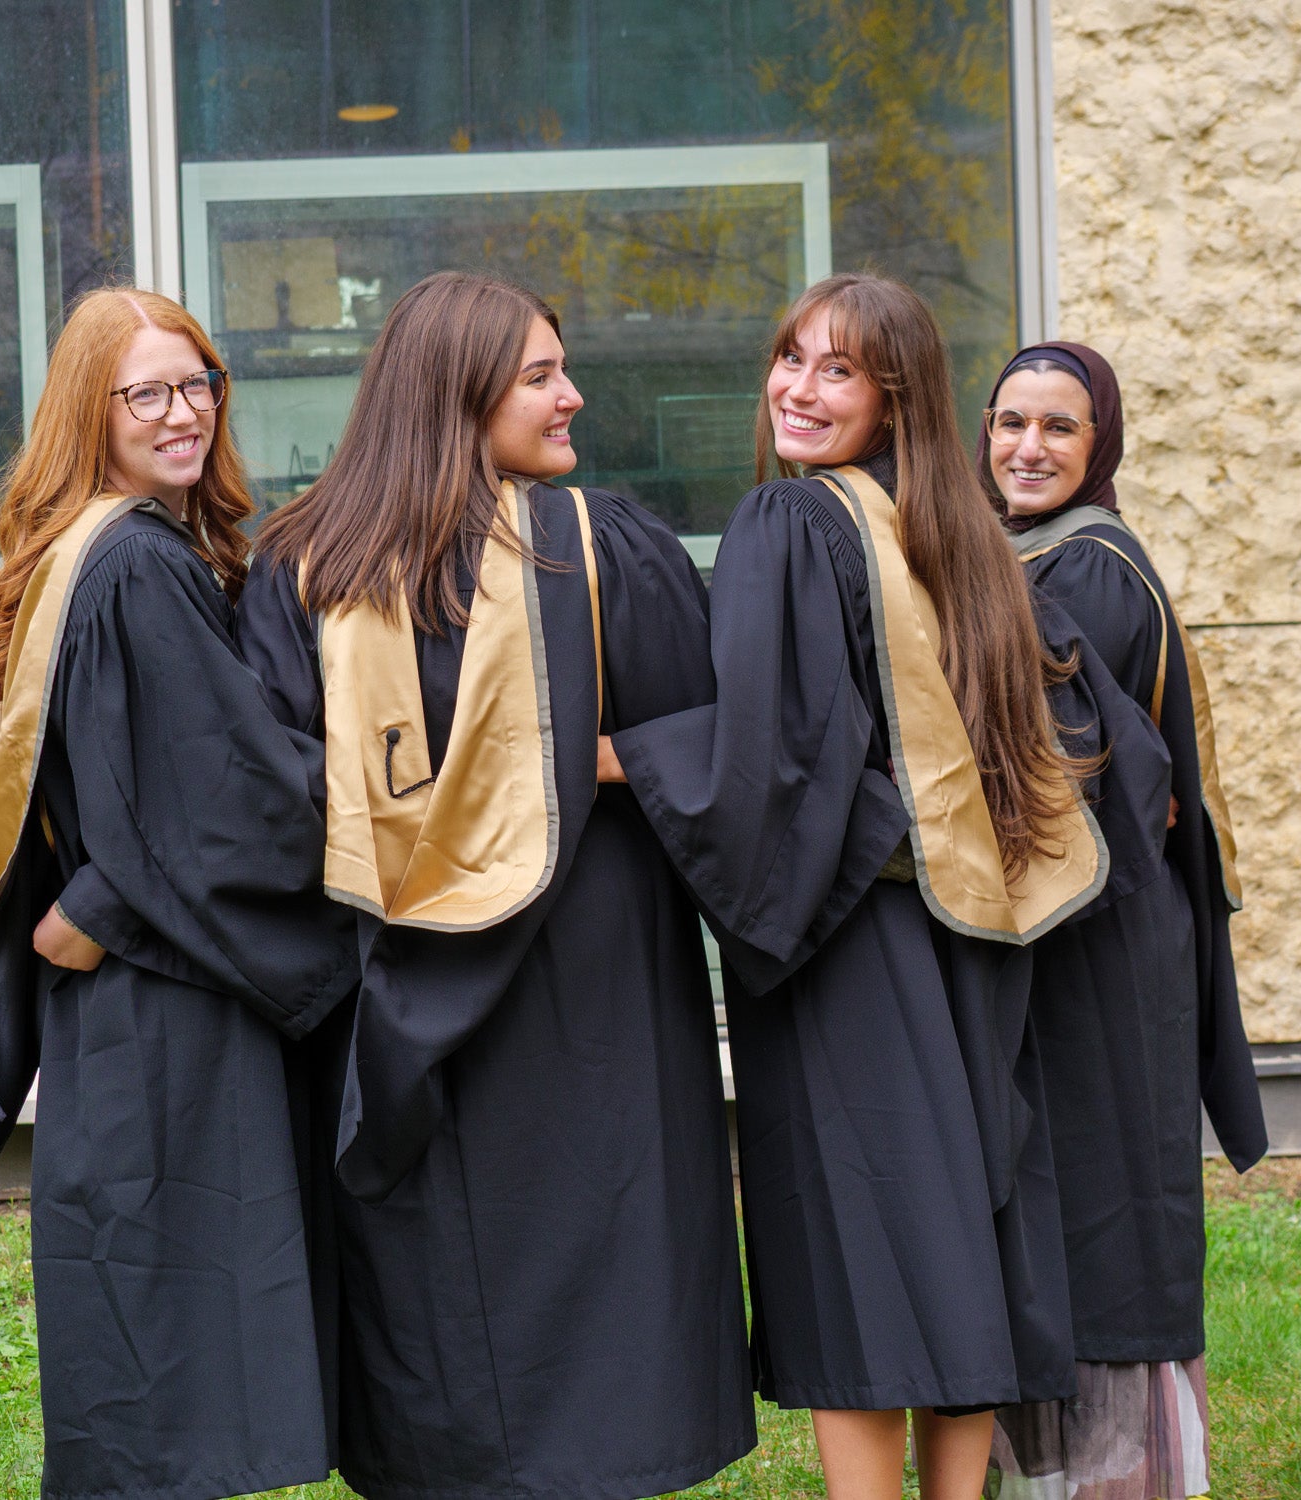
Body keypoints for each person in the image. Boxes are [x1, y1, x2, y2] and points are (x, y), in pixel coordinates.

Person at [601, 272, 1145, 1500]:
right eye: (789, 357)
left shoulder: (791, 525)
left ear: (892, 395)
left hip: (849, 942)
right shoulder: (953, 529)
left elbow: (775, 755)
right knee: (963, 1230)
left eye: (835, 369)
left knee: (859, 1245)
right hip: (973, 941)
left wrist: (622, 753)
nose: (796, 388)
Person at [242, 270, 754, 1500]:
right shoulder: (599, 551)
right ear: (456, 395)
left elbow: (269, 791)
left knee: (439, 1310)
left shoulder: (303, 565)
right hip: (594, 993)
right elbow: (712, 752)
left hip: (405, 994)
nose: (571, 395)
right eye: (540, 376)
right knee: (595, 1306)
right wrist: (601, 761)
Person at [0, 286, 357, 1500]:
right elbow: (222, 800)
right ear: (93, 410)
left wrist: (96, 909)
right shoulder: (133, 564)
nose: (180, 413)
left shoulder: (121, 549)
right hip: (168, 996)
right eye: (146, 393)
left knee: (147, 1313)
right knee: (165, 1331)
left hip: (137, 974)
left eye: (197, 384)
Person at [980, 340, 1267, 1500]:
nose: (1026, 448)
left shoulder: (1088, 570)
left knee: (1104, 1222)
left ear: (1098, 447)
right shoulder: (1023, 553)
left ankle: (1117, 1480)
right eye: (1008, 422)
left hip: (1101, 941)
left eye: (1058, 428)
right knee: (1054, 1206)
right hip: (1068, 931)